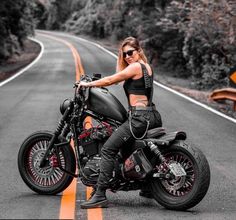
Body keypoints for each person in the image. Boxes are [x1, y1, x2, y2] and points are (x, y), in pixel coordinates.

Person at [78, 36, 162, 209]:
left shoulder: (135, 67)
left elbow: (111, 80)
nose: (128, 56)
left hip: (139, 118)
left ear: (139, 51)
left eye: (130, 52)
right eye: (124, 55)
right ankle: (147, 187)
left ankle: (100, 194)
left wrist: (88, 85)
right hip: (152, 115)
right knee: (132, 147)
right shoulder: (147, 67)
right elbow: (121, 75)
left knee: (109, 149)